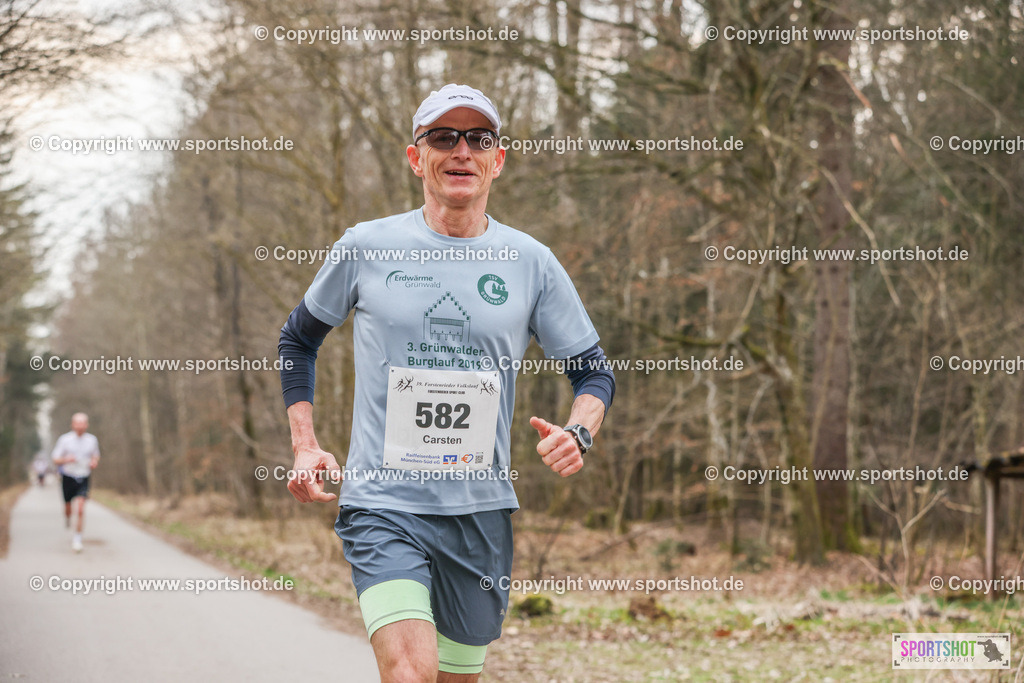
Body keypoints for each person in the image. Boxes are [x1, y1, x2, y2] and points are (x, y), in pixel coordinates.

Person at [279, 84, 614, 682]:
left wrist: (579, 433)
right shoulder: (366, 246)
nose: (462, 150)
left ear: (497, 160)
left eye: (478, 139)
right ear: (417, 157)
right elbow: (297, 341)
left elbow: (594, 372)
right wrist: (305, 444)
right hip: (382, 505)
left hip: (479, 513)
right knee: (411, 671)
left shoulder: (530, 262)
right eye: (443, 137)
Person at [51, 412, 100, 552]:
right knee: (68, 508)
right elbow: (55, 459)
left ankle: (77, 540)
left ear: (86, 425)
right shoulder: (65, 439)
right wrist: (67, 459)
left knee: (80, 508)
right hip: (68, 476)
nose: (80, 426)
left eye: (82, 423)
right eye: (77, 423)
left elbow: (96, 456)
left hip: (84, 476)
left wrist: (94, 462)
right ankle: (67, 517)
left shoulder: (92, 440)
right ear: (72, 425)